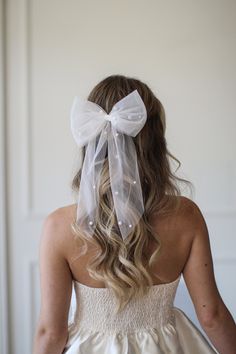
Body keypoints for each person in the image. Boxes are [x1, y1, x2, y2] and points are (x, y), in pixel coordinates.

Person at [32, 75, 236, 354]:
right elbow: (212, 316)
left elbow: (51, 333)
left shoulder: (59, 227)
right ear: (155, 143)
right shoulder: (186, 216)